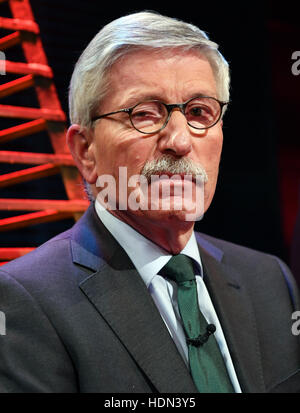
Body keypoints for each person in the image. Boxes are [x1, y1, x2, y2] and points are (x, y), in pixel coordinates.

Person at [0, 11, 299, 393]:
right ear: (85, 151)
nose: (179, 141)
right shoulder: (24, 303)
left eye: (198, 112)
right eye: (144, 114)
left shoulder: (271, 279)